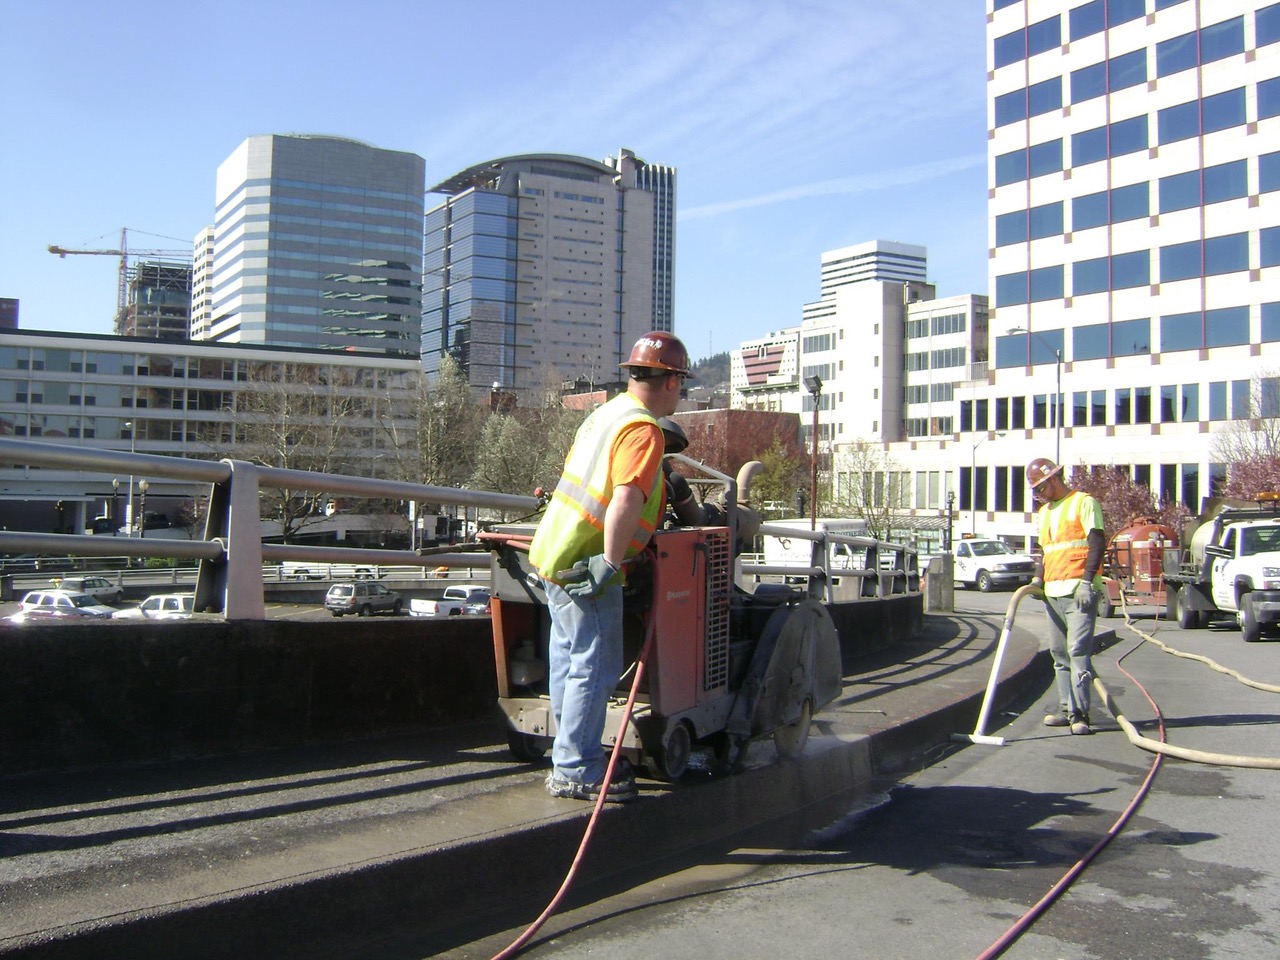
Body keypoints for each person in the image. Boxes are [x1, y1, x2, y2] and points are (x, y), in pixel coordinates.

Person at [528, 331, 690, 802]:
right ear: (673, 381)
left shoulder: (606, 415)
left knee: (568, 659)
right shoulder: (643, 430)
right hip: (587, 561)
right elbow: (626, 498)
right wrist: (610, 561)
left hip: (556, 551)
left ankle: (567, 754)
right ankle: (578, 769)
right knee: (593, 667)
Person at [1027, 457, 1105, 736]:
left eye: (1040, 487)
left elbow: (1097, 542)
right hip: (1053, 591)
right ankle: (1065, 708)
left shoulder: (1083, 502)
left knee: (1077, 652)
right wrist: (1038, 579)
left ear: (1054, 479)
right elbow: (1046, 550)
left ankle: (1080, 714)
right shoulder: (1045, 511)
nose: (1038, 493)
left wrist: (1087, 582)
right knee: (1059, 653)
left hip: (1078, 590)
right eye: (1034, 490)